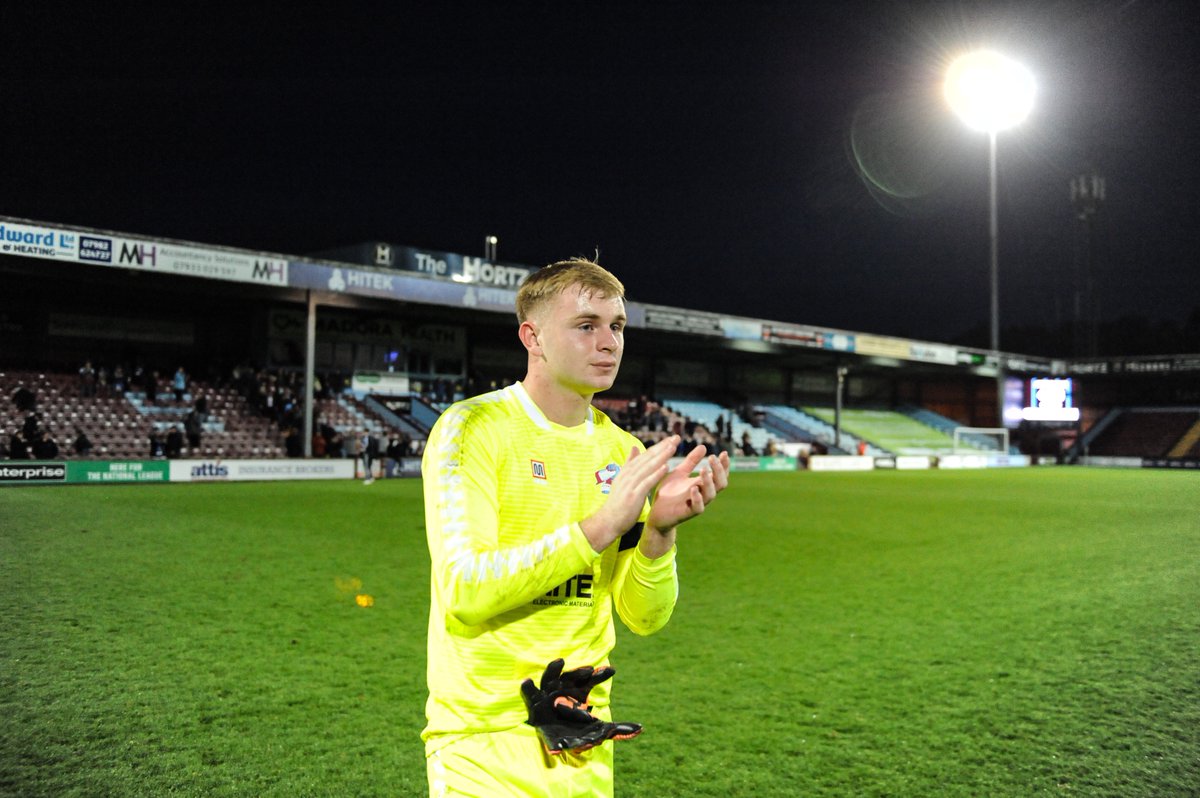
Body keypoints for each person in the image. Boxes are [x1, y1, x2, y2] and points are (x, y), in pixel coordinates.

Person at [421, 258, 731, 797]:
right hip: (483, 742)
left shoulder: (622, 451)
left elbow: (645, 618)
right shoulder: (473, 429)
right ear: (532, 337)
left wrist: (659, 532)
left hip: (582, 735)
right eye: (586, 325)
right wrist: (600, 526)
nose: (609, 342)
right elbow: (466, 590)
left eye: (617, 326)